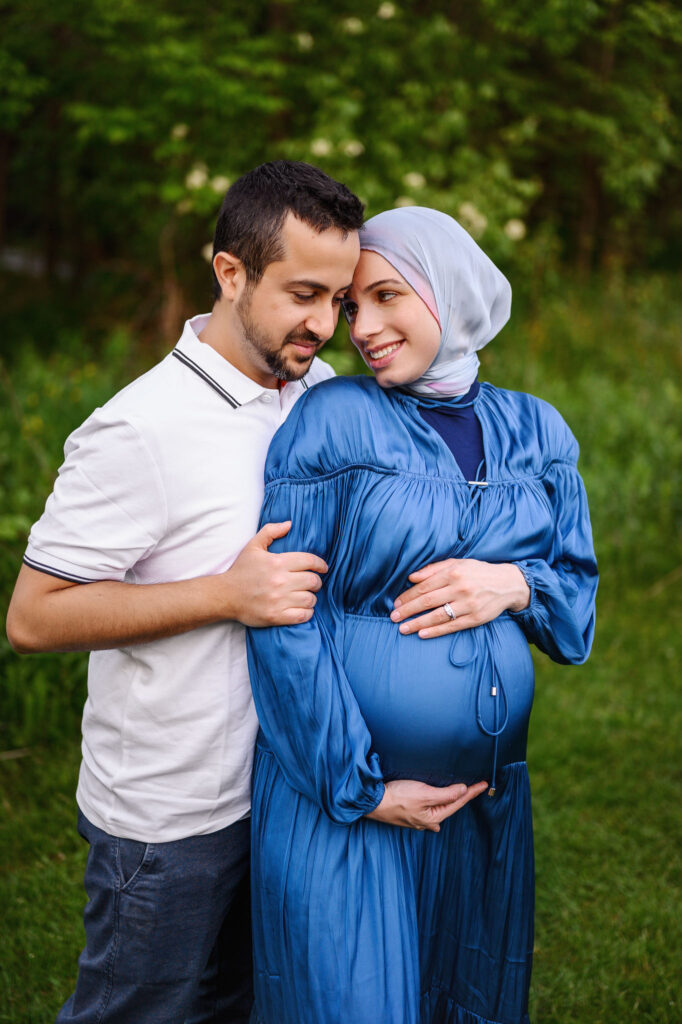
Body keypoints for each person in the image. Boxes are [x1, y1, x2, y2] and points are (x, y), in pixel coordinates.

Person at [5, 160, 366, 1024]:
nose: (324, 323)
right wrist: (225, 595)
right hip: (169, 818)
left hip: (281, 792)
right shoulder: (141, 427)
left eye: (339, 300)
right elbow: (33, 617)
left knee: (240, 1008)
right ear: (231, 273)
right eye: (303, 293)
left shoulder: (314, 393)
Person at [245, 206, 598, 1024]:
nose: (361, 328)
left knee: (460, 1003)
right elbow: (282, 616)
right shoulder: (333, 422)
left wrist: (515, 585)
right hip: (349, 804)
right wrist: (358, 787)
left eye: (385, 297)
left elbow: (574, 604)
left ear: (448, 292)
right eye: (349, 307)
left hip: (482, 806)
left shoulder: (537, 431)